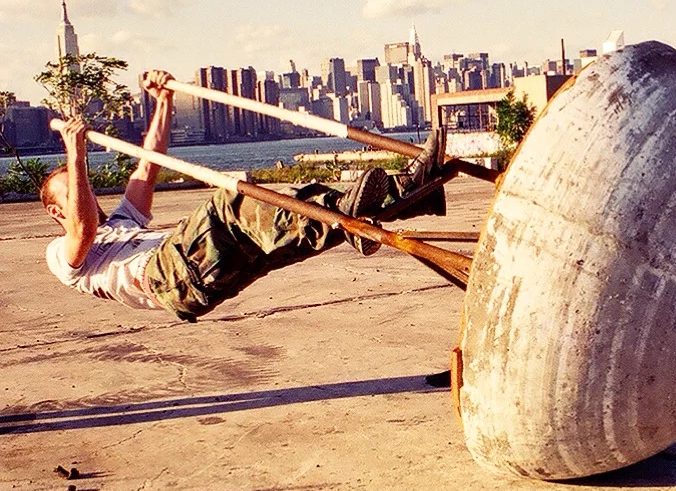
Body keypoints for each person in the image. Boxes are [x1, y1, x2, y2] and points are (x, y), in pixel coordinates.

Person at [41, 70, 446, 323]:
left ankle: (409, 195)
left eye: (88, 188)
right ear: (54, 208)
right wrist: (75, 153)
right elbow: (83, 229)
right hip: (167, 277)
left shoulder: (122, 222)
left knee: (290, 220)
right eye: (76, 189)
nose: (88, 194)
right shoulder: (60, 254)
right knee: (229, 205)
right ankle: (354, 211)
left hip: (199, 273)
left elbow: (148, 166)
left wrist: (163, 100)